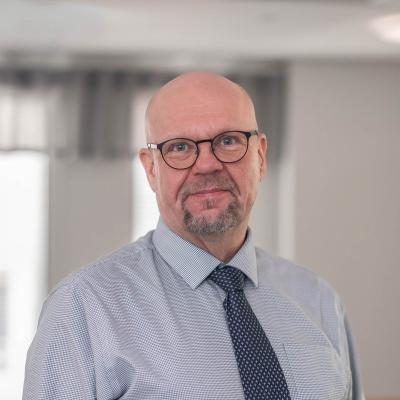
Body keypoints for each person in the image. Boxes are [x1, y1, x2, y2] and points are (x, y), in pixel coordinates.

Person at [23, 72, 364, 399]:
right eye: (180, 147)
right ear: (151, 168)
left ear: (260, 156)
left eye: (228, 141)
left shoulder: (319, 301)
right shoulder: (83, 307)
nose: (206, 165)